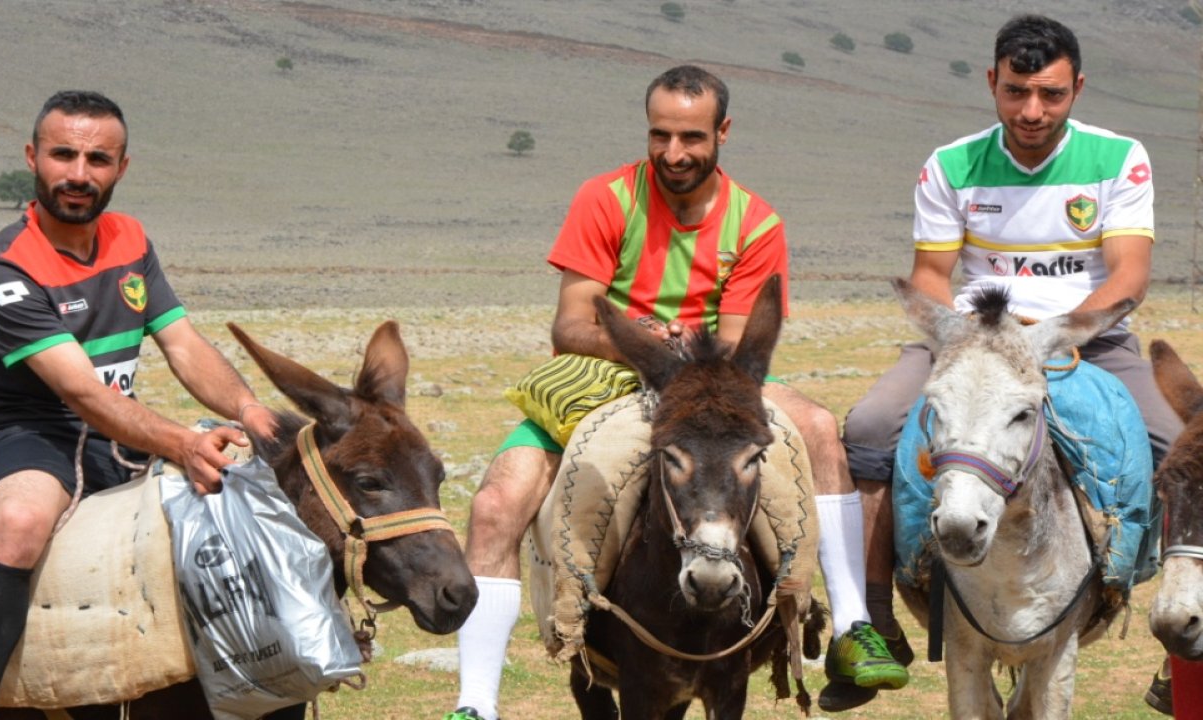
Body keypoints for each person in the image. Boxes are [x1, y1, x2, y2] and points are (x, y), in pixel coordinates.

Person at [443, 65, 907, 720]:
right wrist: (644, 341)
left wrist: (689, 352)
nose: (673, 153)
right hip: (602, 378)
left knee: (823, 430)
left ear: (723, 131)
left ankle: (854, 627)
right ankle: (476, 706)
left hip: (715, 384)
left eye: (691, 137)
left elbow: (745, 349)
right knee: (494, 503)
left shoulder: (755, 223)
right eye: (659, 135)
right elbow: (571, 324)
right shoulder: (606, 198)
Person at [839, 14, 1184, 714]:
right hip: (974, 338)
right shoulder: (951, 163)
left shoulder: (1120, 158)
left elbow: (1128, 275)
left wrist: (1054, 333)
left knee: (1179, 447)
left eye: (1051, 95)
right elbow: (931, 275)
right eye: (1017, 92)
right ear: (992, 83)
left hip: (1087, 337)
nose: (1032, 111)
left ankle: (1181, 646)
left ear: (1077, 88)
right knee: (872, 428)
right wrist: (972, 338)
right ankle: (874, 619)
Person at [0, 90, 284, 720]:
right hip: (28, 435)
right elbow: (80, 393)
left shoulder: (129, 238)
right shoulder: (1, 271)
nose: (79, 174)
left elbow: (182, 344)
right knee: (22, 521)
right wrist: (184, 443)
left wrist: (249, 412)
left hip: (120, 438)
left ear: (122, 167)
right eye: (63, 154)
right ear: (33, 157)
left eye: (98, 159)